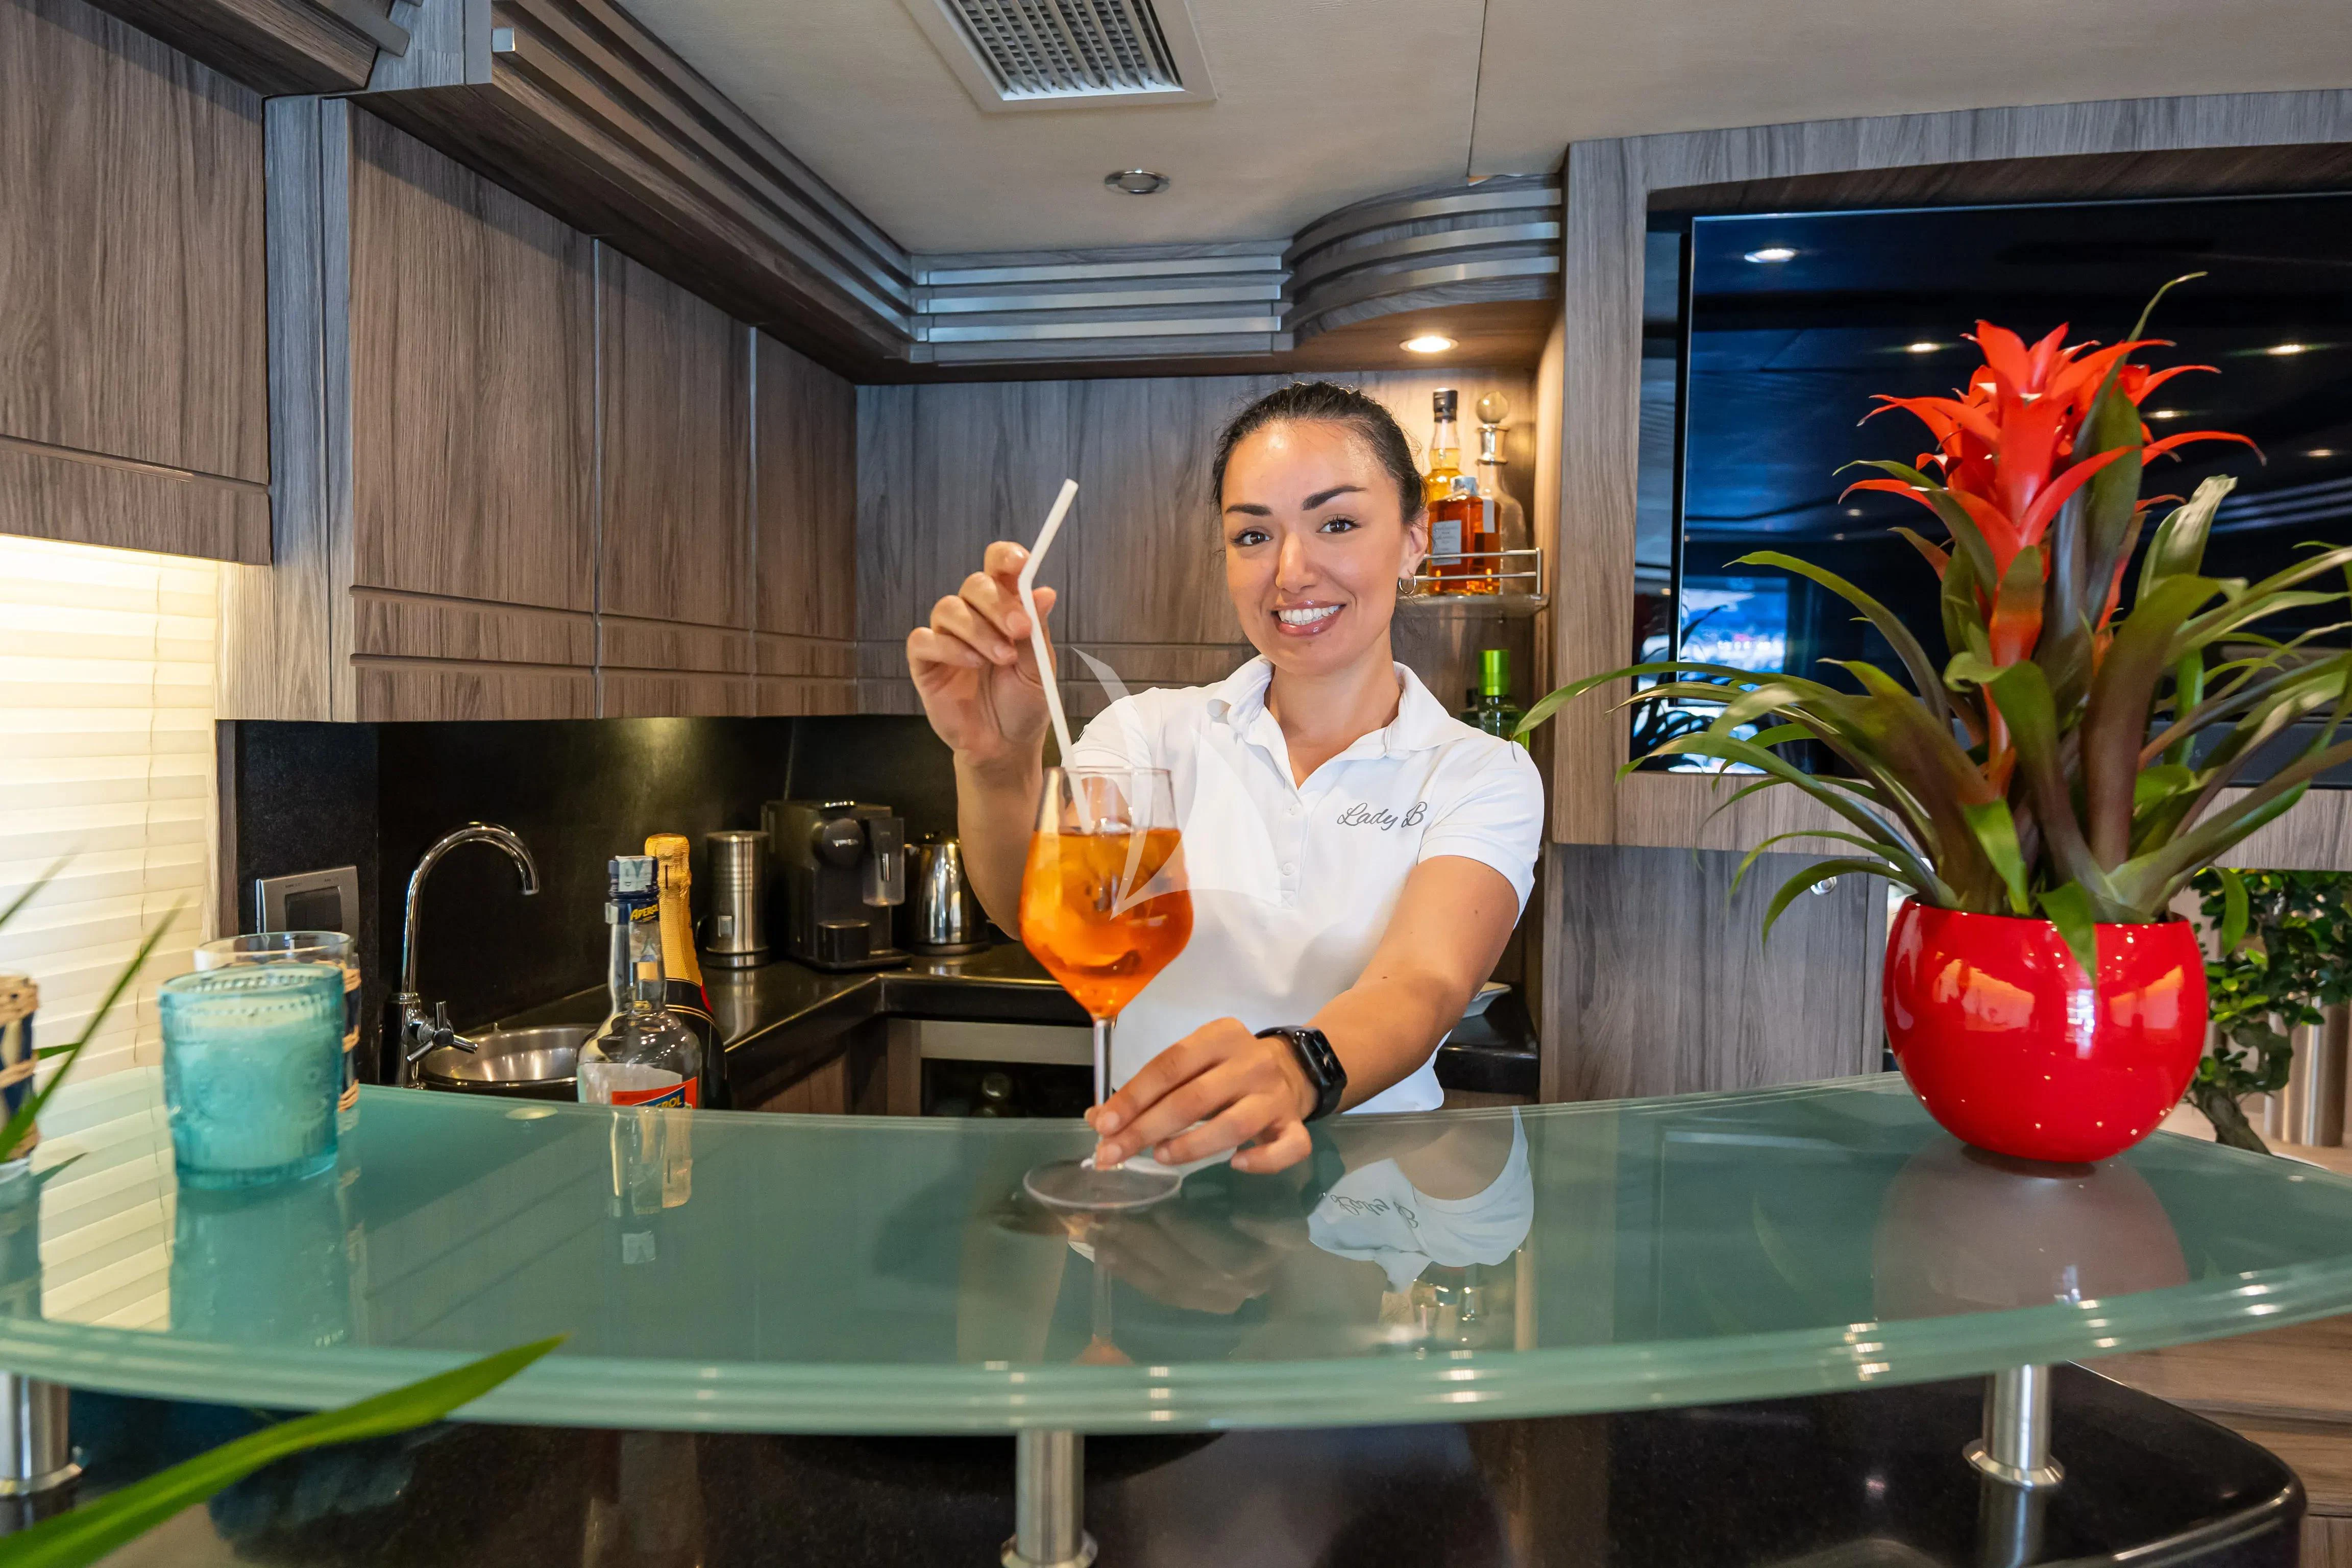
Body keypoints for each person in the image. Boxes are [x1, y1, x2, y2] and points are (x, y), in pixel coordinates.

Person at [905, 381, 1544, 1175]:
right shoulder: (1148, 735)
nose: (1292, 571)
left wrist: (1294, 1068)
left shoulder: (1481, 770)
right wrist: (997, 766)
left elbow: (1423, 983)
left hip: (1371, 1227)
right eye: (1252, 536)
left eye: (1337, 523)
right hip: (1147, 1197)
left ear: (1416, 538)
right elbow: (1021, 910)